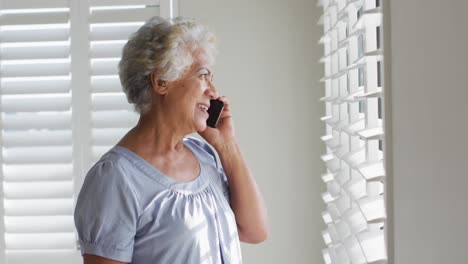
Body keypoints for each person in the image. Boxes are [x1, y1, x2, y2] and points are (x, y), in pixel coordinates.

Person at [74, 16, 269, 264]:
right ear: (161, 82)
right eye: (203, 75)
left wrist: (226, 146)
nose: (213, 90)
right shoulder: (115, 178)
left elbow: (255, 231)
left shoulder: (204, 155)